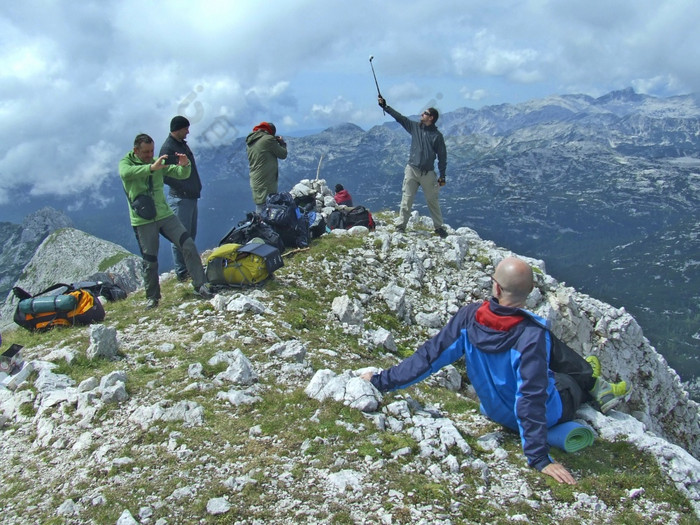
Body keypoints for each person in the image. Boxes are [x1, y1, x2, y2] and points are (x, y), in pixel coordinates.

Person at [361, 256, 629, 485]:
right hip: (540, 416)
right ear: (529, 292)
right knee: (568, 382)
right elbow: (531, 396)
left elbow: (428, 357)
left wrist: (381, 381)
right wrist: (538, 458)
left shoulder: (468, 316)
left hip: (496, 411)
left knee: (550, 355)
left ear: (496, 288)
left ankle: (589, 377)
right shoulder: (531, 336)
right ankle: (593, 384)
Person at [119, 133, 213, 309]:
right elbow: (126, 174)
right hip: (143, 220)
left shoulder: (157, 163)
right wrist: (151, 168)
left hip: (165, 214)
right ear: (135, 151)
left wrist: (186, 165)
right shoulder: (127, 163)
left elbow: (180, 173)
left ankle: (201, 285)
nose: (149, 155)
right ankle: (152, 298)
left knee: (187, 244)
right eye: (146, 152)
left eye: (152, 151)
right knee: (150, 260)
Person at [377, 96, 448, 238]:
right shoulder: (415, 127)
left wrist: (442, 176)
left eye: (425, 113)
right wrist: (385, 106)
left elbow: (442, 157)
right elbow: (400, 118)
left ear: (431, 118)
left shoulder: (437, 136)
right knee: (407, 198)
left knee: (432, 200)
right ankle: (401, 226)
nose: (422, 115)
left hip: (428, 173)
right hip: (412, 169)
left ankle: (439, 227)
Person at [160, 116, 203, 282]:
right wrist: (183, 187)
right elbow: (165, 174)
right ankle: (182, 271)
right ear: (178, 129)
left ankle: (190, 267)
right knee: (181, 236)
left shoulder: (180, 144)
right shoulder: (169, 147)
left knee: (190, 235)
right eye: (186, 129)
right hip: (181, 198)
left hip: (190, 196)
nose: (188, 132)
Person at [246, 122, 288, 214]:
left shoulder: (251, 141)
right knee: (268, 207)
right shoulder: (268, 139)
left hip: (255, 179)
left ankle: (259, 224)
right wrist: (282, 143)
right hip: (266, 180)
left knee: (260, 205)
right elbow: (283, 154)